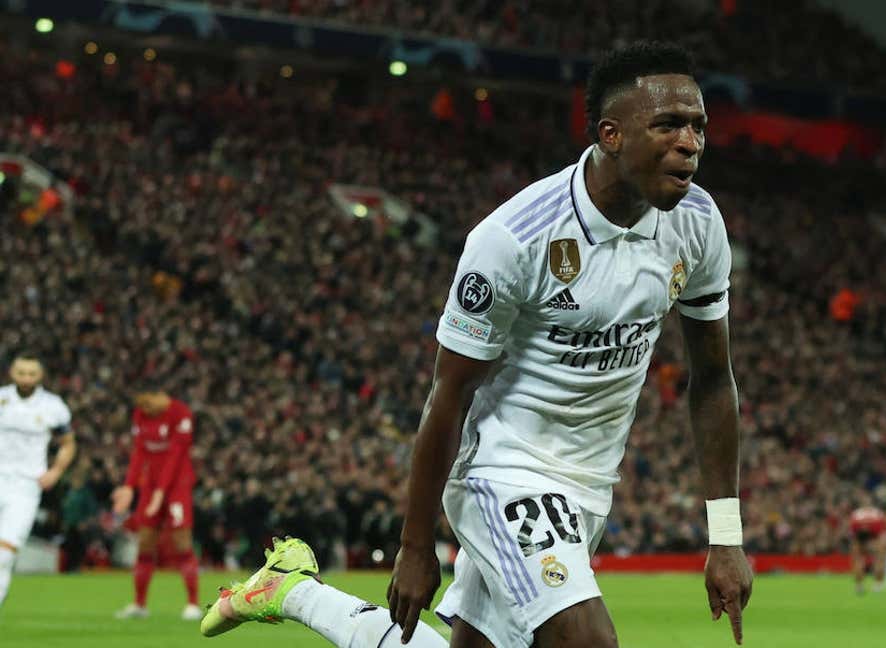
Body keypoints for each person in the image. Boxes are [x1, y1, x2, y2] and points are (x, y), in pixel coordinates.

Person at [202, 40, 752, 648]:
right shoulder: (515, 239)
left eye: (698, 125)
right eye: (668, 124)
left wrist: (725, 535)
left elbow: (712, 379)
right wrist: (415, 545)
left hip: (591, 483)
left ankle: (293, 590)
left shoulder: (698, 223)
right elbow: (449, 391)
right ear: (611, 134)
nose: (690, 142)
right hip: (502, 470)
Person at [112, 386, 202, 620]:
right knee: (144, 543)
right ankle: (139, 604)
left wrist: (160, 494)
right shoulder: (142, 414)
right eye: (141, 404)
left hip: (177, 487)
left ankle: (193, 604)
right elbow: (139, 452)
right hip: (150, 486)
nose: (145, 409)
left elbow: (175, 456)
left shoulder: (181, 414)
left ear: (162, 396)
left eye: (149, 403)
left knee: (182, 542)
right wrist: (129, 486)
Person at [0, 353, 75, 611]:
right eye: (22, 373)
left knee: (4, 554)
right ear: (13, 373)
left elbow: (67, 444)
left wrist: (55, 471)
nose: (27, 378)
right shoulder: (2, 399)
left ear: (40, 375)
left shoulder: (52, 406)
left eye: (32, 374)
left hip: (25, 486)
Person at [848, 504, 886, 596]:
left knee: (858, 559)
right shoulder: (877, 512)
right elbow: (882, 530)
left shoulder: (857, 513)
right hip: (875, 529)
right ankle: (878, 585)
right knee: (880, 559)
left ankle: (859, 585)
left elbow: (852, 530)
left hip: (859, 529)